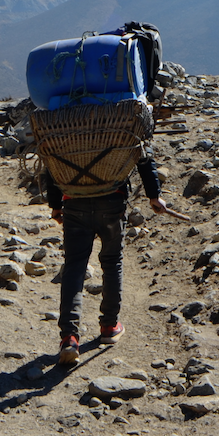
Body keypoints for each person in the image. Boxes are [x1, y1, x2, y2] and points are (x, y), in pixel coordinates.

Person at [48, 148, 171, 364]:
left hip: (74, 201)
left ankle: (69, 338)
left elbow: (49, 156)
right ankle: (109, 326)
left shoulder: (62, 116)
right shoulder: (119, 115)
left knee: (75, 266)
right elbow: (142, 154)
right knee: (112, 262)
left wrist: (56, 203)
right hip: (112, 200)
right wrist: (154, 195)